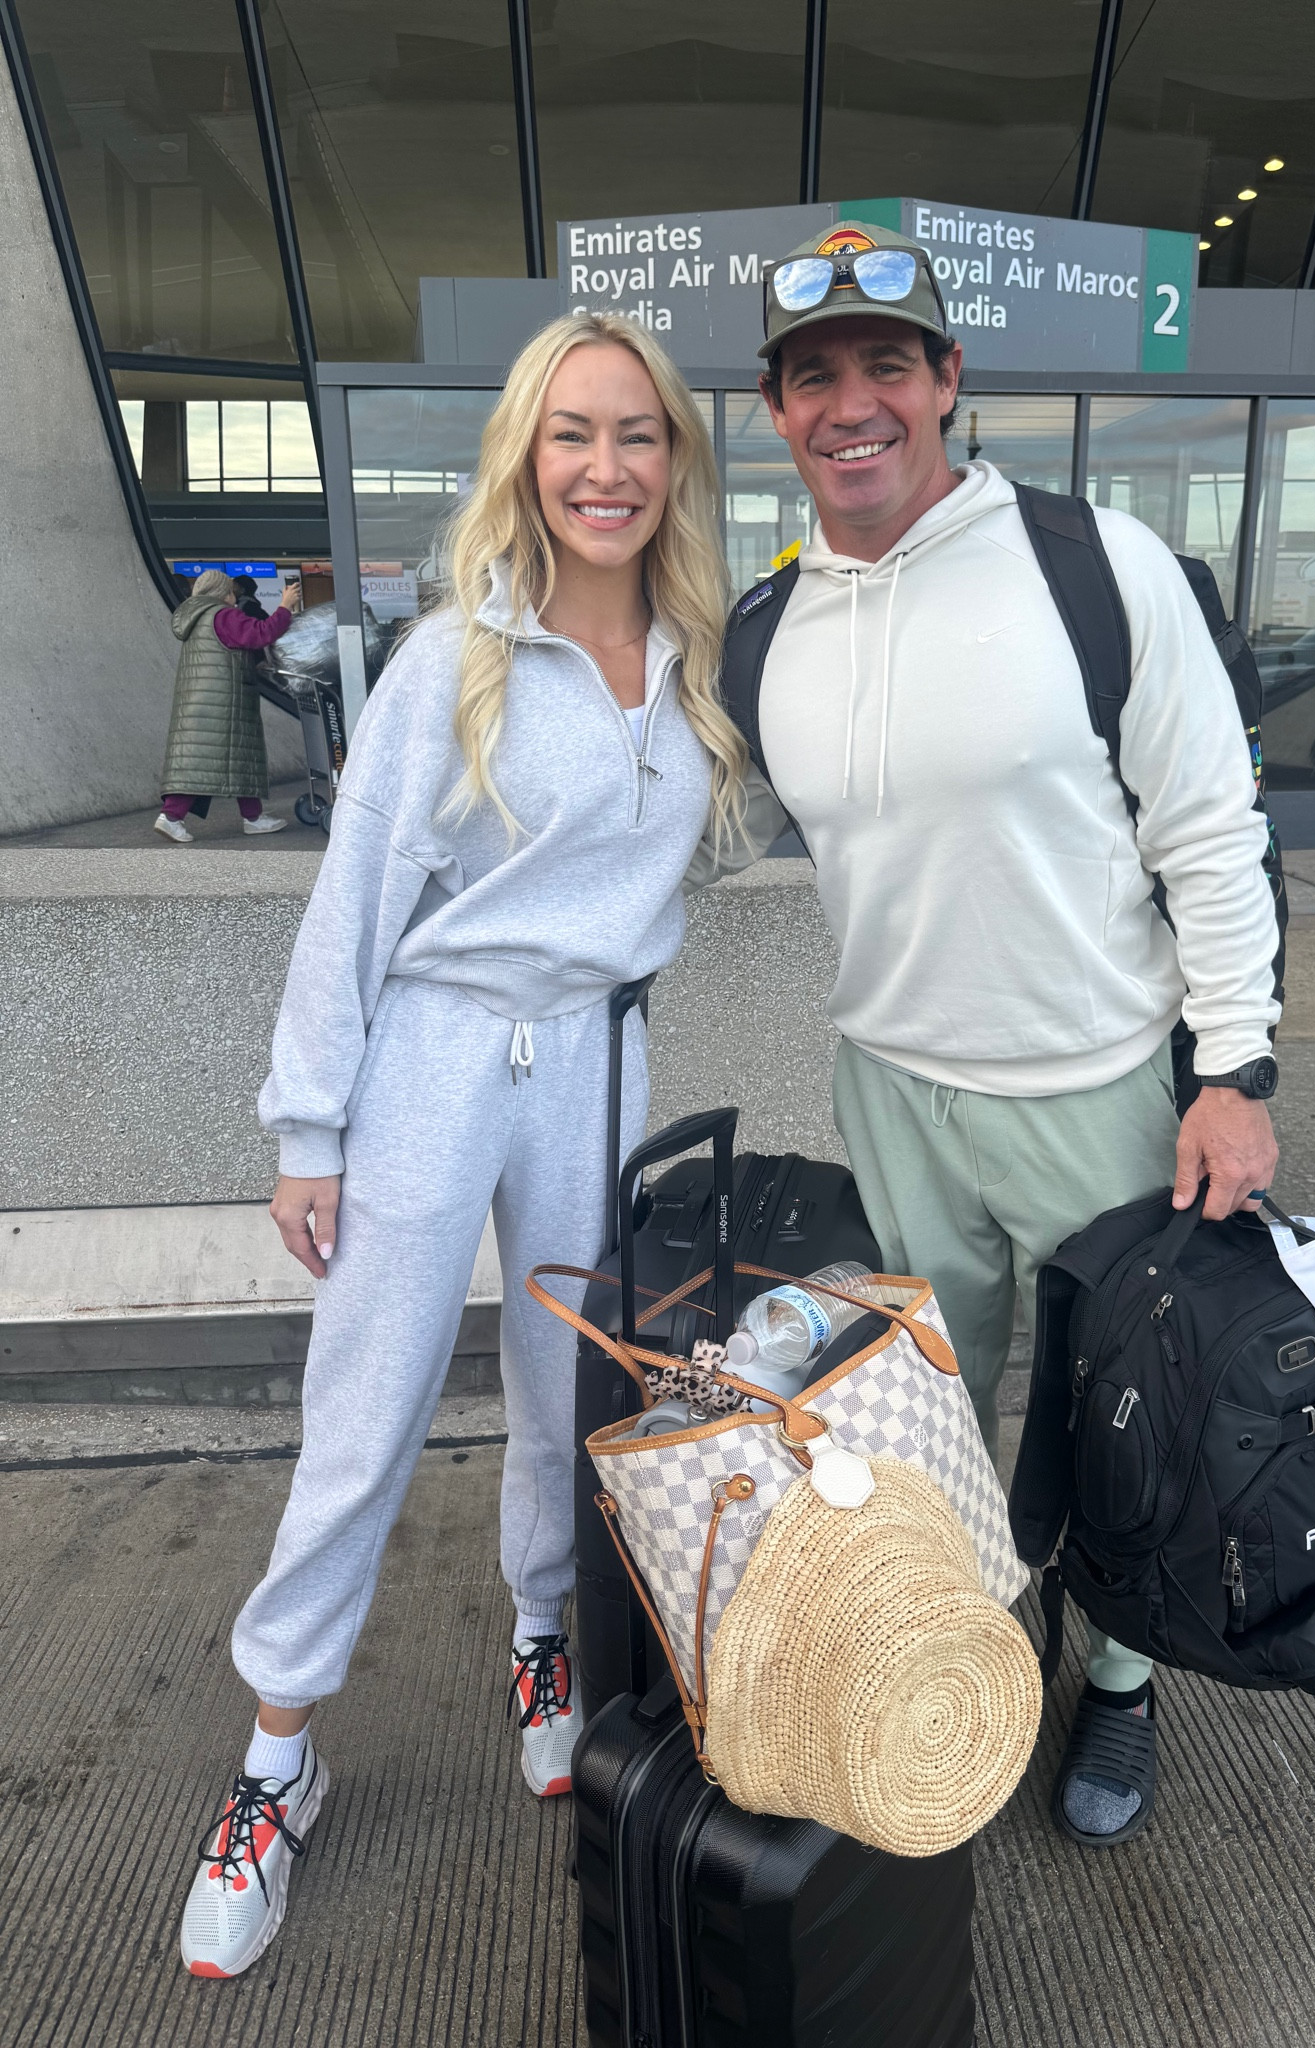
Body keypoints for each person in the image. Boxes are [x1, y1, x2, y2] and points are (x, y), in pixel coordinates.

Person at [697, 223, 1281, 1849]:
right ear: (775, 408)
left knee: (1125, 1427)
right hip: (888, 1086)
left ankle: (1115, 1681)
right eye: (816, 375)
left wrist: (1231, 1070)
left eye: (889, 362)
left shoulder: (1095, 566)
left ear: (948, 381)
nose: (854, 402)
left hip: (1093, 1090)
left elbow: (1211, 829)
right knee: (926, 1422)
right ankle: (957, 1652)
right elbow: (687, 830)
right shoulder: (766, 626)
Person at [178, 311, 746, 1978]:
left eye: (635, 434)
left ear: (674, 460)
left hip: (600, 1056)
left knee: (580, 1395)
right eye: (571, 434)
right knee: (366, 1412)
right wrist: (310, 1128)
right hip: (435, 1053)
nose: (603, 467)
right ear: (525, 453)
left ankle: (544, 1636)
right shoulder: (455, 657)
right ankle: (277, 1760)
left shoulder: (701, 658)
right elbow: (352, 897)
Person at [155, 568, 298, 841]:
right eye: (231, 591)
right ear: (222, 593)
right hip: (223, 704)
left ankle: (253, 817)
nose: (235, 596)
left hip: (204, 702)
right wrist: (284, 607)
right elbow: (260, 634)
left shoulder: (196, 618)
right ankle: (171, 816)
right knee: (204, 763)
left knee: (231, 759)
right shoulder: (222, 615)